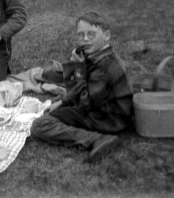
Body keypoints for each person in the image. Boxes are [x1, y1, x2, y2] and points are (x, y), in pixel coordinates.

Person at [30, 12, 133, 162]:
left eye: (91, 34)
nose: (85, 39)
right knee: (58, 106)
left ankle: (97, 139)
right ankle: (90, 133)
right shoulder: (97, 57)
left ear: (107, 35)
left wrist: (76, 69)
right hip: (101, 109)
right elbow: (85, 90)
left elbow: (84, 102)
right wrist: (63, 102)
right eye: (81, 35)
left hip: (109, 119)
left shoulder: (105, 66)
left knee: (40, 125)